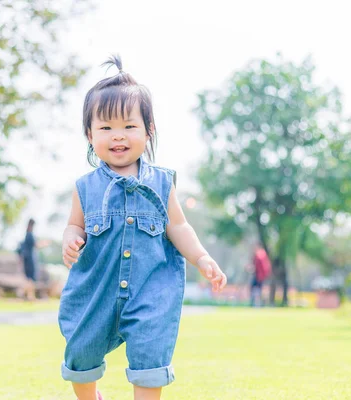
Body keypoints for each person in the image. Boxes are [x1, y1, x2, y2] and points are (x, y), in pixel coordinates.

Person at [58, 56, 228, 400]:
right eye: (105, 128)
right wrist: (72, 240)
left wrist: (202, 258)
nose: (117, 136)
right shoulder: (84, 186)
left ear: (148, 131)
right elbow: (74, 225)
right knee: (81, 353)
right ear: (90, 135)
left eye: (128, 126)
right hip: (96, 289)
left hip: (150, 290)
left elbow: (179, 227)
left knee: (151, 353)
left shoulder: (163, 184)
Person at [247, 242, 272, 307]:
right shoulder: (263, 254)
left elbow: (256, 266)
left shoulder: (258, 255)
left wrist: (250, 268)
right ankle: (258, 303)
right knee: (258, 289)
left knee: (255, 289)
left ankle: (256, 303)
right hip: (262, 276)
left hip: (259, 276)